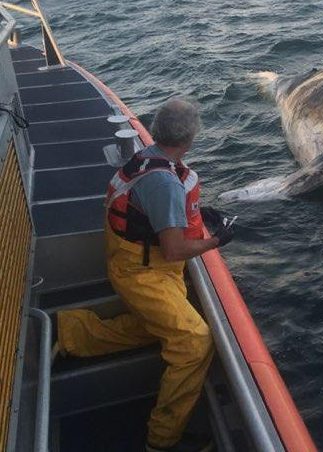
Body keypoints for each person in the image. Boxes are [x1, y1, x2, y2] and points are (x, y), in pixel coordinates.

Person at [54, 98, 232, 451]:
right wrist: (217, 240)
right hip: (144, 274)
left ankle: (70, 332)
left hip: (145, 266)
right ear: (191, 138)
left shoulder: (148, 158)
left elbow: (152, 210)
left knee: (155, 328)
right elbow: (175, 250)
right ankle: (162, 439)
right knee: (194, 341)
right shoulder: (164, 183)